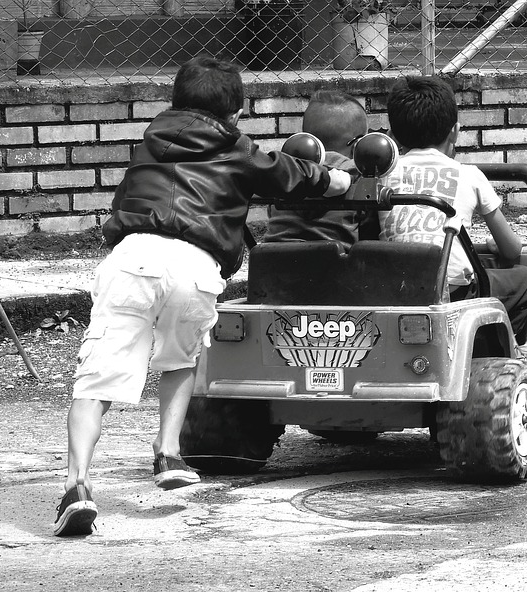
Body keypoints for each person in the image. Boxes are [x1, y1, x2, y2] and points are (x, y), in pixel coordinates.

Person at [54, 56, 351, 537]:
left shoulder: (148, 144)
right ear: (234, 112)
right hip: (196, 265)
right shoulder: (238, 149)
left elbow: (118, 210)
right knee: (180, 358)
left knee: (95, 380)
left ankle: (77, 486)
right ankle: (168, 452)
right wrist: (338, 179)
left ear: (176, 102)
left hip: (134, 257)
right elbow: (291, 174)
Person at [379, 75, 527, 342]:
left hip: (393, 288)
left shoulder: (380, 175)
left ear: (392, 136)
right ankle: (493, 349)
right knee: (526, 280)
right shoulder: (470, 175)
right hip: (454, 292)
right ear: (455, 131)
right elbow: (511, 251)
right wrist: (497, 247)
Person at [263, 90, 379, 244]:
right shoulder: (361, 180)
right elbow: (369, 239)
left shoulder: (284, 174)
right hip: (338, 265)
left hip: (270, 263)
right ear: (358, 145)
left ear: (306, 140)